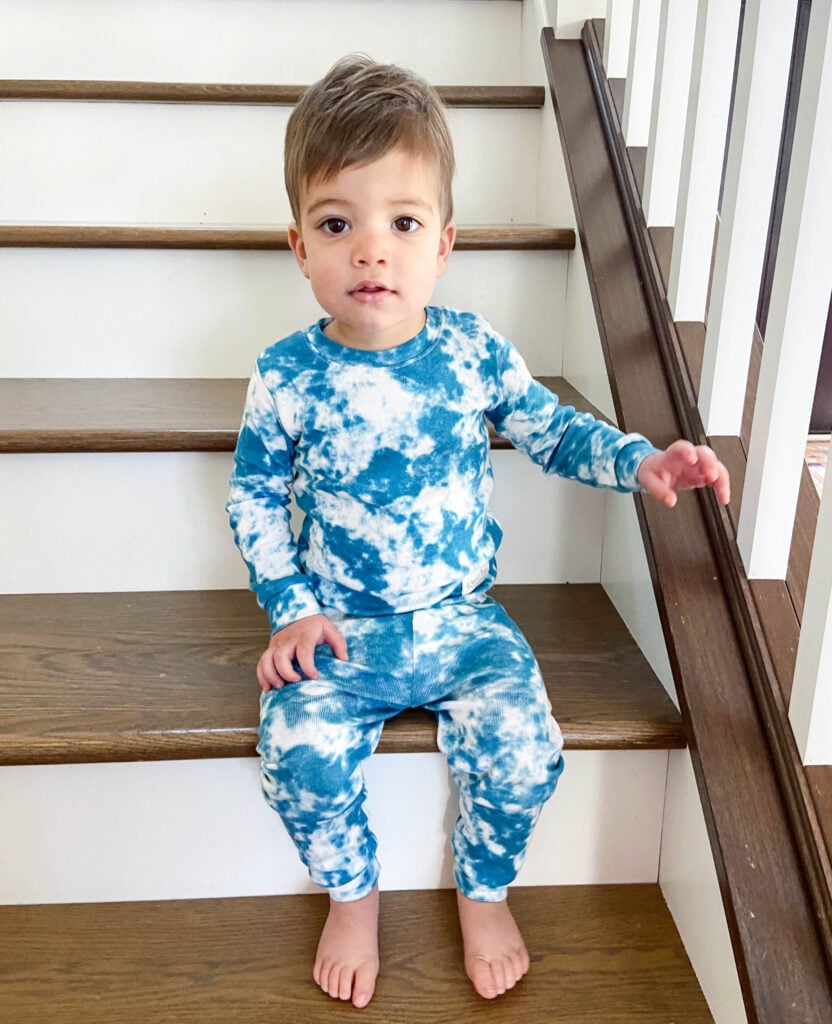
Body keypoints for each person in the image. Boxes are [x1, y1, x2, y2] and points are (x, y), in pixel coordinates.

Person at [227, 54, 730, 1010]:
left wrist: (642, 462)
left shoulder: (470, 350)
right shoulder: (286, 374)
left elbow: (553, 430)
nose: (371, 250)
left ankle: (485, 889)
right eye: (339, 224)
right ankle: (353, 892)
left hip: (464, 624)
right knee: (293, 746)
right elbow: (253, 496)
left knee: (528, 745)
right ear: (300, 246)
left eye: (402, 224)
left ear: (444, 243)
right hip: (342, 629)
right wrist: (290, 609)